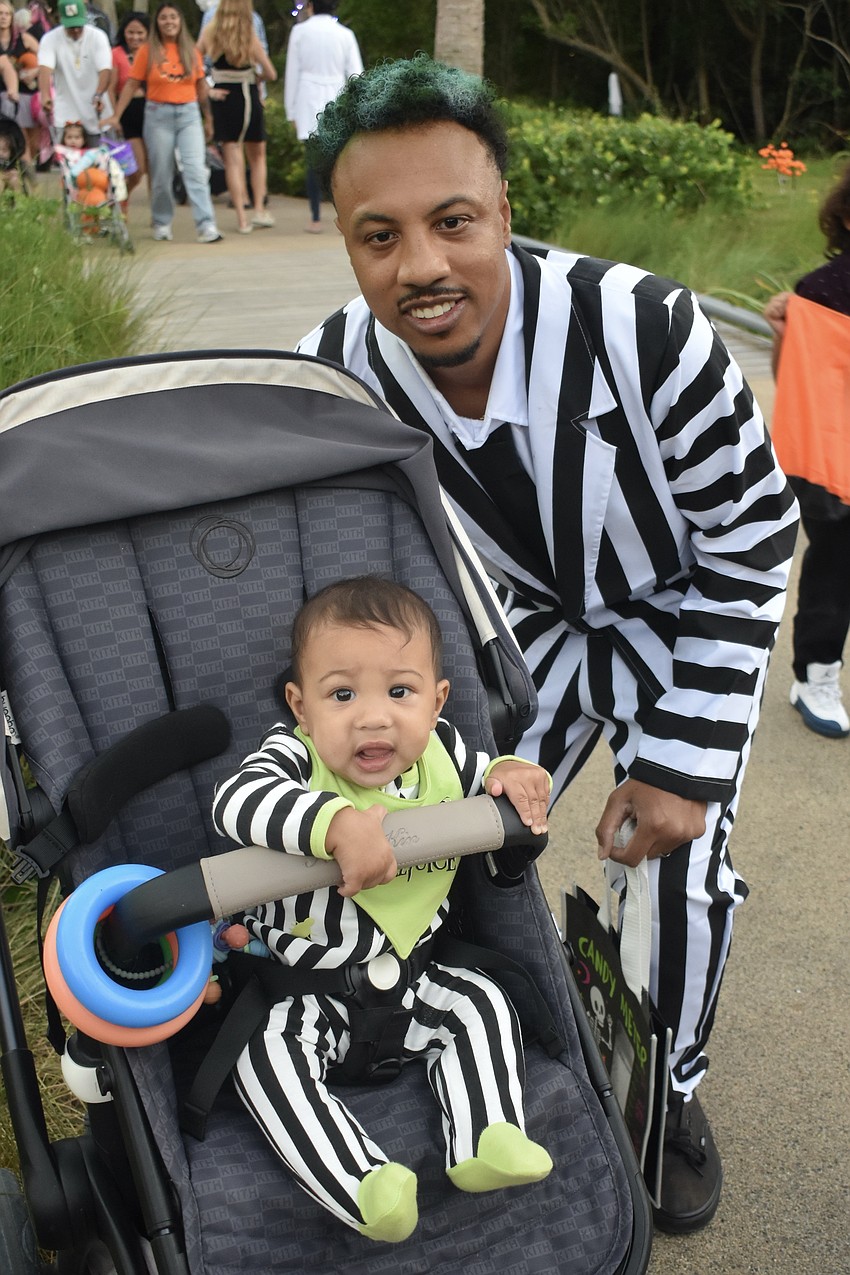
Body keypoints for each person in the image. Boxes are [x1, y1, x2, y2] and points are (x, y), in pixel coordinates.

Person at [295, 54, 800, 1235]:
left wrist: (679, 762)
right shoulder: (338, 371)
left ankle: (662, 1088)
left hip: (683, 610)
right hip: (523, 633)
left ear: (506, 213)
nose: (420, 267)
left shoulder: (646, 329)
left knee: (677, 870)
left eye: (453, 222)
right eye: (379, 236)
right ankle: (457, 1048)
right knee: (440, 827)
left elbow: (754, 536)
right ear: (348, 244)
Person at [211, 575, 554, 1244]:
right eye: (342, 695)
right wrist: (331, 822)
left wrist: (511, 770)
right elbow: (236, 799)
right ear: (301, 706)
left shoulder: (446, 753)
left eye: (400, 692)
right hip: (307, 995)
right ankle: (364, 1182)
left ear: (437, 701)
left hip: (418, 976)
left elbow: (488, 768)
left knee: (483, 1003)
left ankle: (485, 1134)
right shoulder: (294, 759)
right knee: (262, 1059)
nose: (372, 717)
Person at [763, 164, 850, 740]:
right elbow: (794, 385)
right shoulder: (822, 292)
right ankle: (816, 674)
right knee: (836, 566)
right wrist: (786, 333)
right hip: (837, 461)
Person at [102, 2, 222, 244]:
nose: (169, 21)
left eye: (173, 17)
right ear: (157, 22)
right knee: (161, 173)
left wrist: (208, 119)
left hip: (188, 114)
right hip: (158, 114)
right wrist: (116, 115)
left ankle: (206, 224)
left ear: (180, 21)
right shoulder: (148, 50)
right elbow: (132, 84)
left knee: (196, 170)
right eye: (164, 17)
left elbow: (200, 86)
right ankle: (162, 221)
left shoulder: (191, 50)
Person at [197, 0, 275, 234]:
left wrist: (208, 87)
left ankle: (242, 218)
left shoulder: (210, 29)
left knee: (232, 156)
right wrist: (257, 77)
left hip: (222, 96)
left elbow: (194, 58)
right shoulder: (249, 32)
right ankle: (259, 209)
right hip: (247, 95)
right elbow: (270, 72)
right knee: (257, 154)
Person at [283, 0, 361, 233]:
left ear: (310, 6)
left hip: (307, 100)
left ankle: (315, 217)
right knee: (340, 161)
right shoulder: (345, 34)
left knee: (313, 163)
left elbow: (292, 72)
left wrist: (290, 109)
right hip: (336, 97)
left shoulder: (299, 32)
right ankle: (345, 214)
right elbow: (356, 74)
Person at [37, 0, 111, 144]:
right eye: (71, 26)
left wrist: (99, 94)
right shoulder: (50, 39)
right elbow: (45, 69)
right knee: (67, 160)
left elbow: (105, 70)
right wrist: (45, 95)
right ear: (61, 21)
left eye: (78, 25)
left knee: (97, 159)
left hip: (94, 107)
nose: (76, 30)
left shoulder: (98, 36)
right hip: (65, 109)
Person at [109, 10, 148, 206]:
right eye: (130, 32)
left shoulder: (152, 52)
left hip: (152, 111)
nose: (135, 37)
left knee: (156, 169)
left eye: (140, 33)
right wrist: (115, 115)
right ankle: (119, 199)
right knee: (137, 168)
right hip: (128, 113)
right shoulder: (116, 54)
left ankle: (158, 215)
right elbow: (111, 87)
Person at [0, 0, 38, 163]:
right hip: (5, 93)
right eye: (0, 14)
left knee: (29, 139)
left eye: (7, 14)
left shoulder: (24, 39)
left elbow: (47, 59)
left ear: (12, 17)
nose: (3, 17)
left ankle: (30, 167)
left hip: (25, 92)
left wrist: (34, 71)